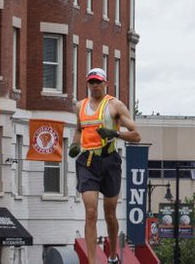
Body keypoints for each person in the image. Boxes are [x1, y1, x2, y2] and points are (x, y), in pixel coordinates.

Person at [70, 68, 141, 264]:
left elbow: (136, 135)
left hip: (110, 161)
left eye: (98, 82)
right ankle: (92, 261)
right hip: (87, 162)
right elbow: (78, 129)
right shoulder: (80, 106)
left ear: (105, 83)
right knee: (91, 212)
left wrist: (115, 134)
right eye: (91, 82)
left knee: (109, 213)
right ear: (87, 84)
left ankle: (112, 256)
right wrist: (75, 145)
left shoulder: (115, 106)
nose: (95, 86)